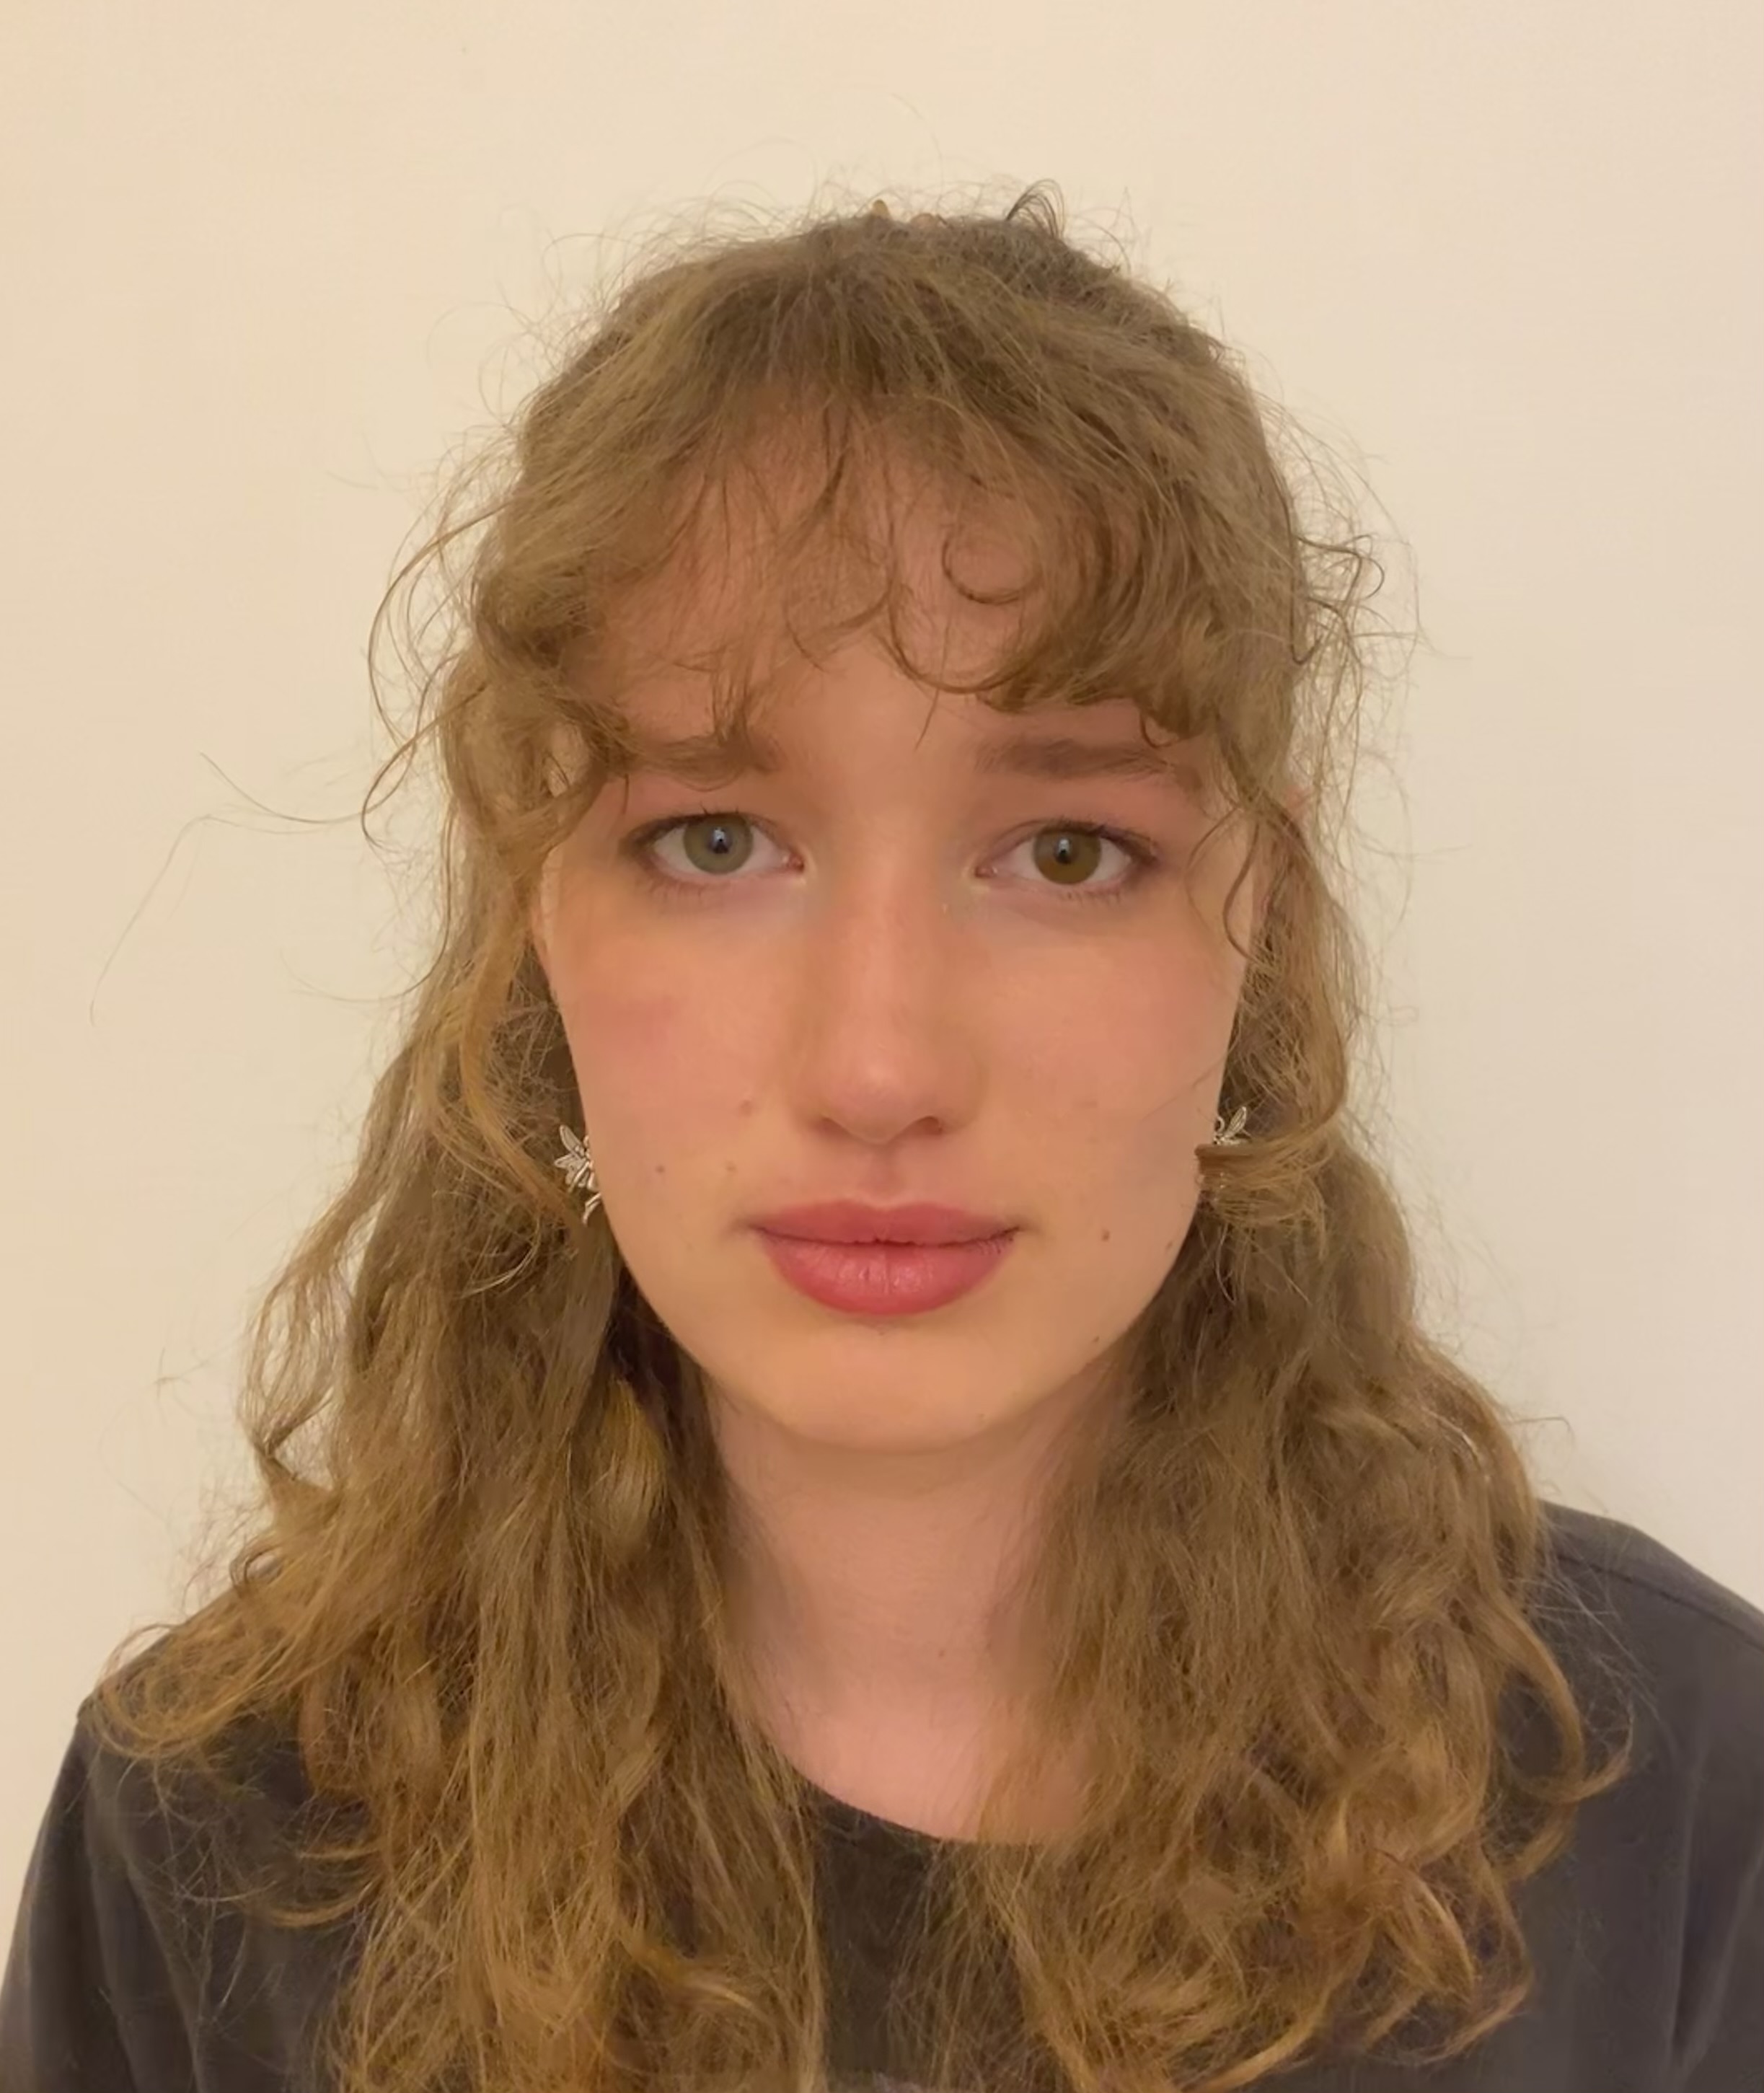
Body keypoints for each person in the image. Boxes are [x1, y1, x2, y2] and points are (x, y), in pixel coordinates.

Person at [2, 185, 1760, 2093]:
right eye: (714, 842)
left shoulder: (1671, 1804)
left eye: (1068, 852)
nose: (877, 1065)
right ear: (537, 926)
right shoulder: (211, 1846)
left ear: (1260, 922)